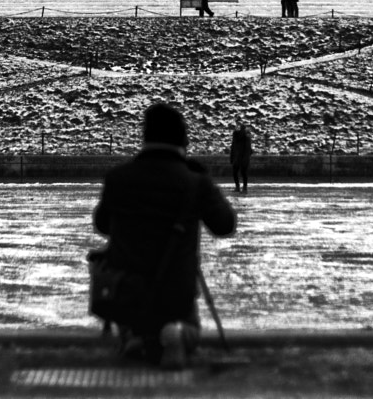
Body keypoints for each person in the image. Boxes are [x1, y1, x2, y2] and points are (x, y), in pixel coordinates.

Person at [93, 103, 237, 369]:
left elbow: (102, 225)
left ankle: (136, 336)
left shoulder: (118, 178)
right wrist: (205, 180)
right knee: (189, 327)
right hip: (176, 291)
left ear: (145, 136)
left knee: (131, 316)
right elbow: (225, 224)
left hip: (127, 289)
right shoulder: (194, 181)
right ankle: (178, 333)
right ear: (183, 139)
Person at [229, 123, 253, 194]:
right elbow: (234, 147)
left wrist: (232, 157)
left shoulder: (242, 135)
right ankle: (241, 187)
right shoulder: (239, 135)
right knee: (239, 172)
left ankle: (241, 188)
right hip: (240, 157)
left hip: (241, 157)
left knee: (240, 172)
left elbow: (247, 148)